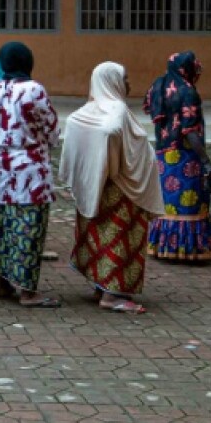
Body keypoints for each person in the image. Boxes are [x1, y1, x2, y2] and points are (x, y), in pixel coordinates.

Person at [61, 62, 164, 314]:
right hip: (121, 187)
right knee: (121, 237)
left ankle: (102, 285)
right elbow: (110, 131)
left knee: (100, 236)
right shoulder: (116, 109)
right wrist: (113, 162)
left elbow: (74, 125)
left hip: (99, 185)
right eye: (124, 78)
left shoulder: (90, 108)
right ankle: (112, 296)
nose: (128, 84)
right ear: (112, 81)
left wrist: (98, 164)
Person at [0, 42, 61, 308]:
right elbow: (51, 130)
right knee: (28, 227)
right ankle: (27, 291)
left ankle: (4, 284)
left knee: (3, 224)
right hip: (29, 170)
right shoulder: (34, 90)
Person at [144, 51, 211, 261]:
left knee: (169, 202)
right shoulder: (188, 91)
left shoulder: (157, 86)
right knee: (189, 203)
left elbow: (152, 110)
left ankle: (163, 245)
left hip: (164, 157)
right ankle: (186, 249)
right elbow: (191, 131)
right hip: (186, 156)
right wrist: (207, 163)